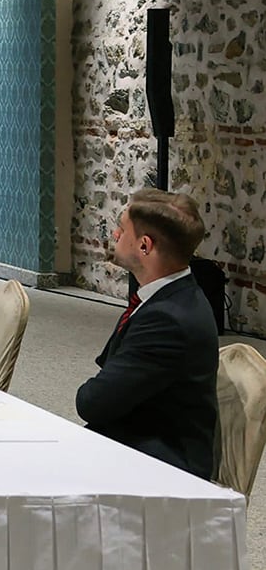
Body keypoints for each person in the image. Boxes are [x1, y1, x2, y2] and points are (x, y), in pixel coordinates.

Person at [75, 189, 219, 478]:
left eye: (122, 228)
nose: (115, 234)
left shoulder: (167, 320)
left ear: (144, 246)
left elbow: (92, 403)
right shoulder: (171, 296)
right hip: (141, 438)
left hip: (164, 465)